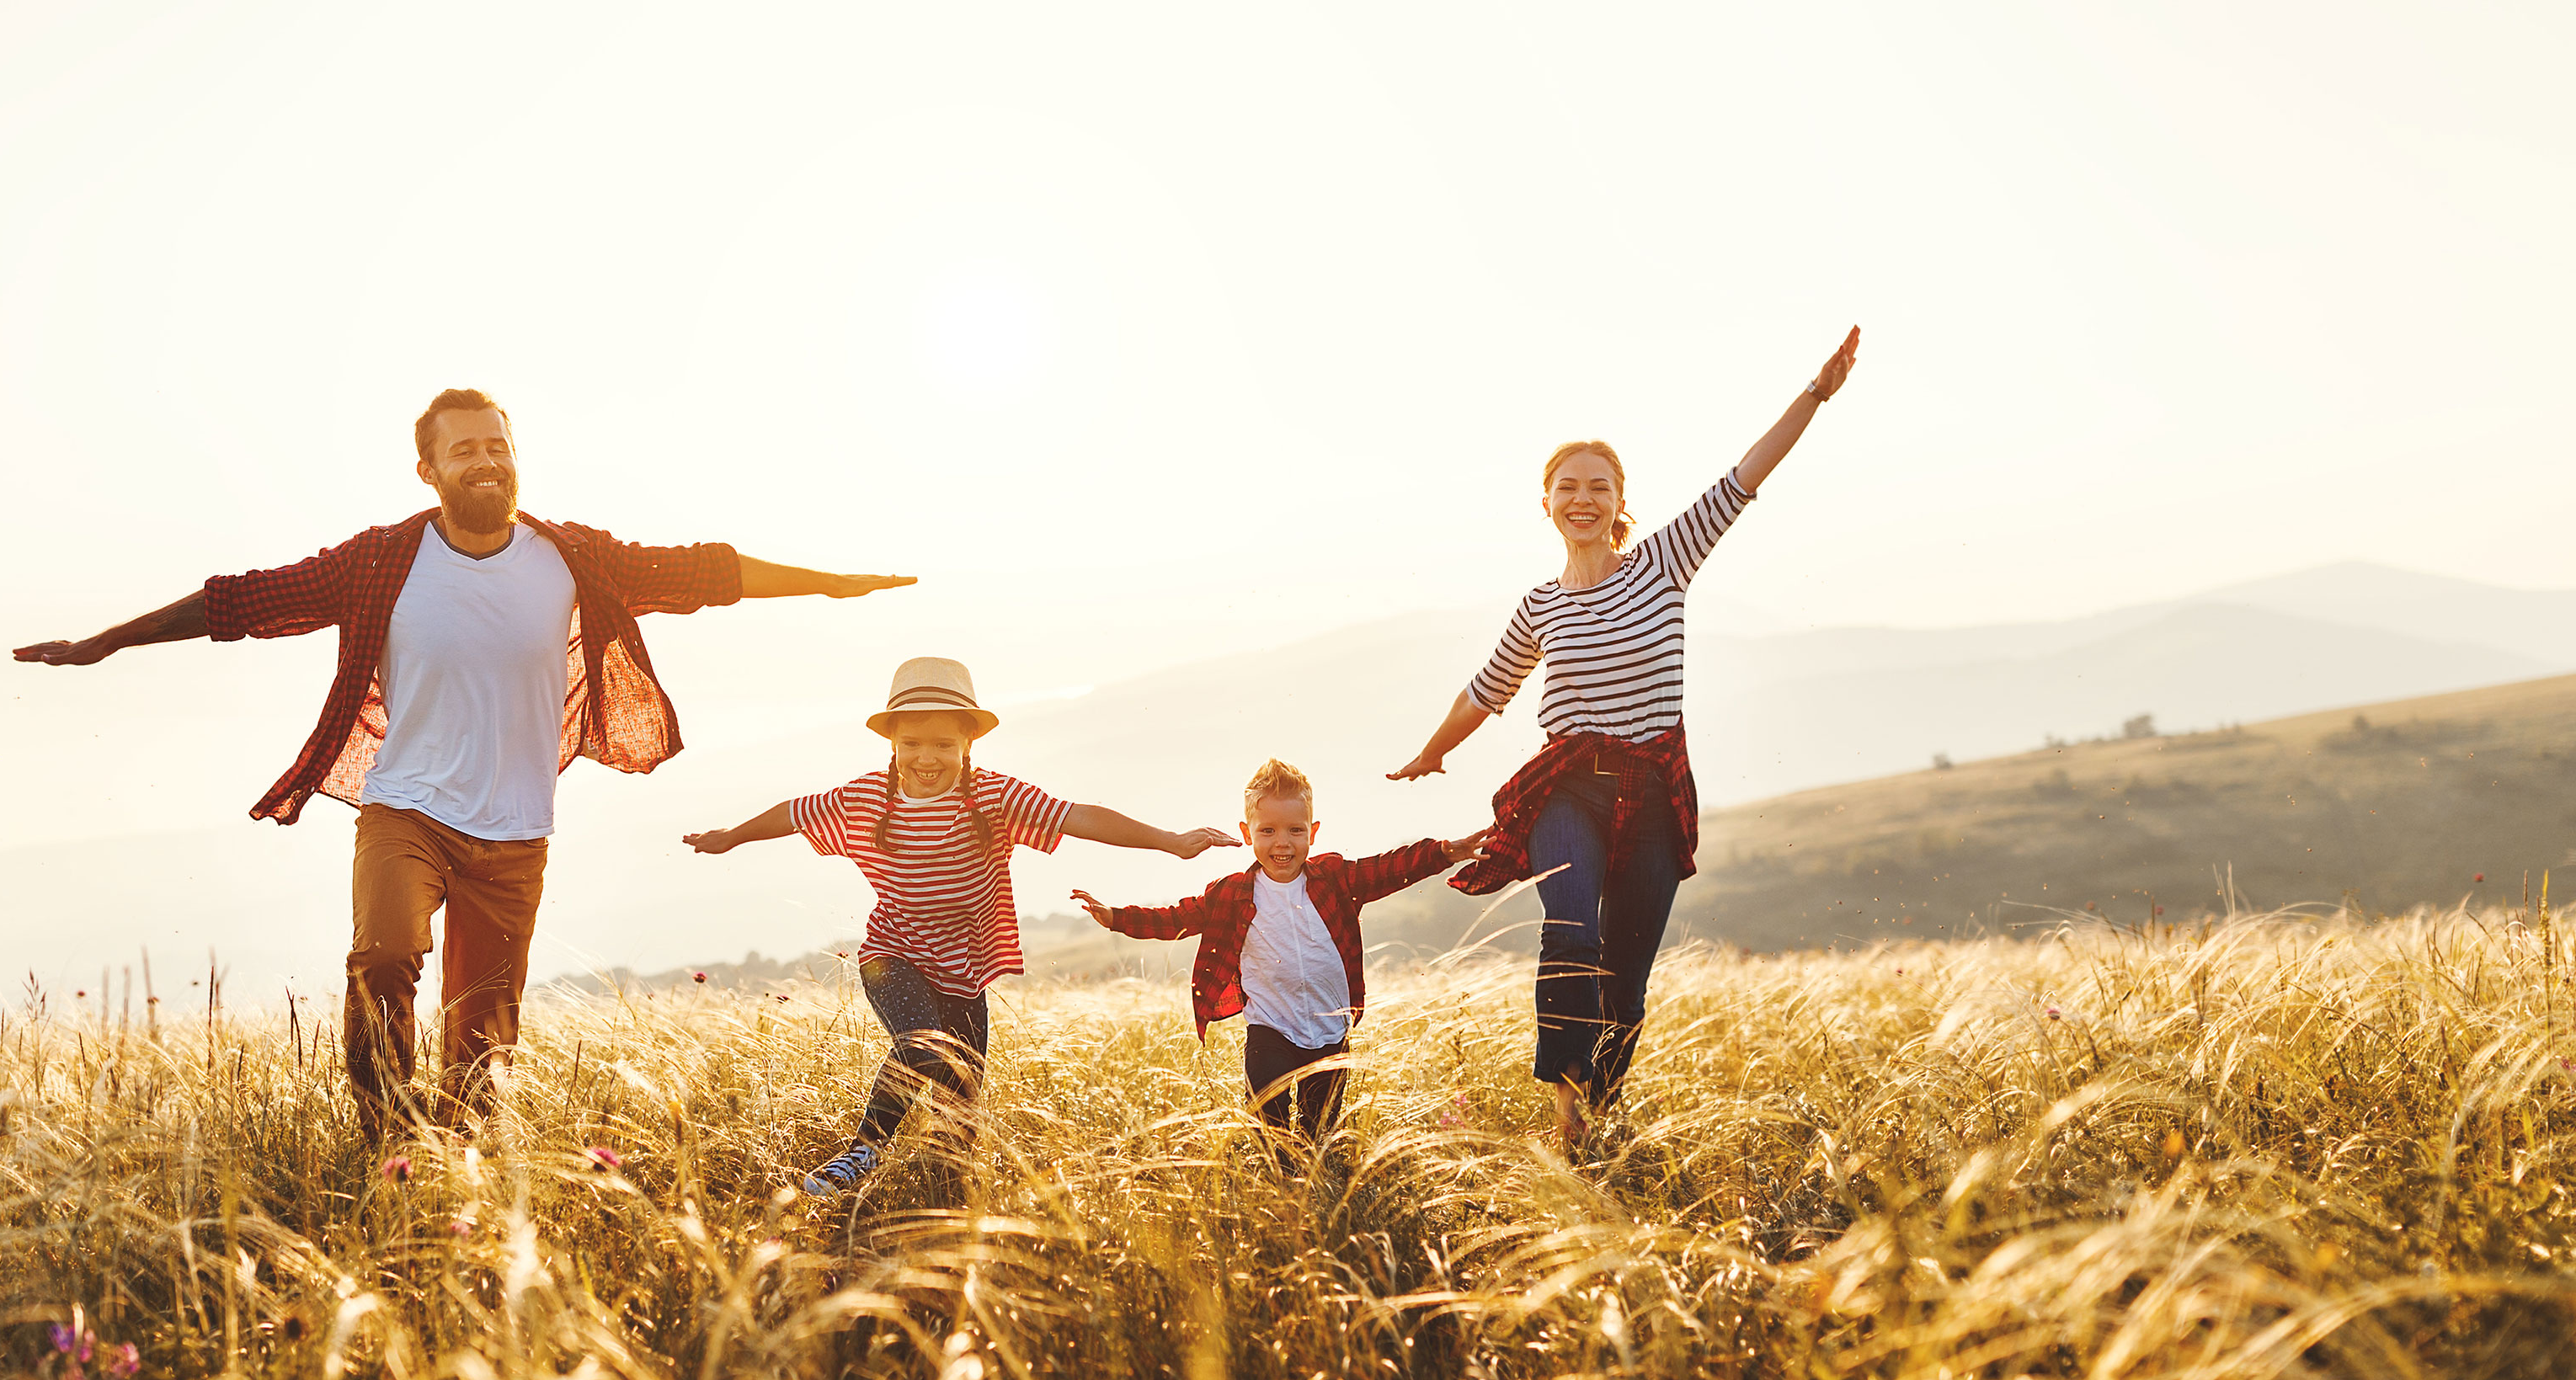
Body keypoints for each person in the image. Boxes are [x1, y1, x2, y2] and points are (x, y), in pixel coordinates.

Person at [14, 388, 913, 1148]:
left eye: (498, 445)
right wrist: (109, 641)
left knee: (483, 1040)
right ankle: (387, 1143)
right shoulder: (380, 561)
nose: (485, 460)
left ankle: (454, 1170)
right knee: (384, 956)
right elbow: (246, 601)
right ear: (429, 471)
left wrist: (834, 582)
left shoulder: (573, 557)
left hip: (516, 833)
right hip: (406, 809)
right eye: (464, 450)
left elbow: (703, 572)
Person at [1391, 327, 1863, 1156]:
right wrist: (1434, 751)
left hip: (1652, 792)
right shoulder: (1539, 606)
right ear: (1546, 503)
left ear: (1620, 502)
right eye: (1567, 486)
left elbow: (1744, 476)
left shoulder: (1664, 562)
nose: (1584, 498)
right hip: (1568, 788)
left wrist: (1815, 395)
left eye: (1598, 486)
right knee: (1571, 930)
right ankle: (1566, 1094)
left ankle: (1594, 1114)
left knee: (1627, 981)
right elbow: (1486, 689)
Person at [680, 658, 1236, 1195]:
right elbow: (793, 812)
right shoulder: (867, 797)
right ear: (892, 745)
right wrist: (731, 836)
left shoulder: (995, 797)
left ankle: (942, 1218)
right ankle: (864, 1150)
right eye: (912, 744)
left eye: (943, 744)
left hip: (965, 973)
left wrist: (1168, 840)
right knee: (923, 1044)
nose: (927, 758)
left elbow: (1079, 815)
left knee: (960, 1118)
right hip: (890, 955)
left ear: (968, 744)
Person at [1069, 759, 1487, 1157]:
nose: (1282, 843)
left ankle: (1311, 1188)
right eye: (1267, 830)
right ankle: (1278, 1178)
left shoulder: (1335, 880)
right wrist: (1116, 918)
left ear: (1313, 831)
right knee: (1266, 1115)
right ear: (1246, 831)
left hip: (1329, 1031)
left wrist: (1446, 852)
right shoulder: (1233, 893)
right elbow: (1179, 917)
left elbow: (1390, 868)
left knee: (1315, 1133)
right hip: (1270, 1028)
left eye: (1294, 830)